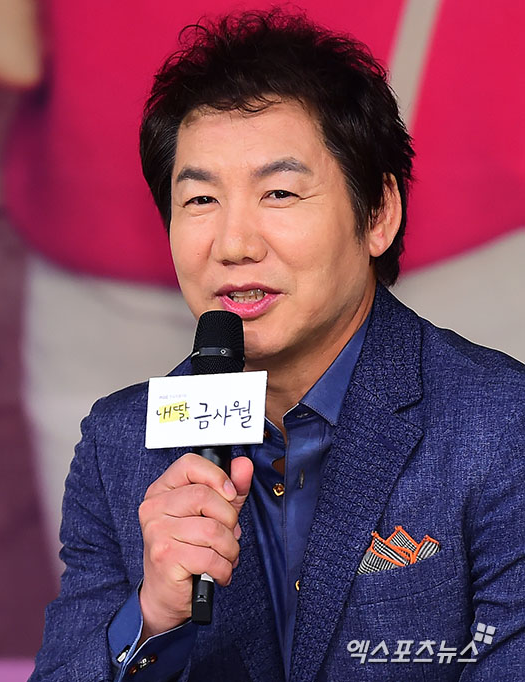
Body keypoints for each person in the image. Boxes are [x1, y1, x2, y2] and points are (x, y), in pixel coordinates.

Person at [30, 9, 525, 682]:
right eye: (200, 201)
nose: (234, 244)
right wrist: (149, 619)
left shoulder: (498, 423)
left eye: (280, 192)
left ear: (378, 213)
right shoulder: (120, 446)